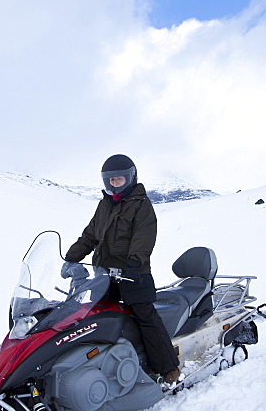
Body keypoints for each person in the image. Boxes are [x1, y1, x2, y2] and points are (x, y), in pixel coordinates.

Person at [61, 154, 181, 385]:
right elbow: (90, 236)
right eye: (111, 180)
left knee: (146, 318)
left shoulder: (140, 205)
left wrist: (135, 265)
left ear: (131, 178)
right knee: (100, 318)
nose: (115, 184)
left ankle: (169, 368)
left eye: (119, 179)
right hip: (105, 276)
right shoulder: (105, 204)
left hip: (133, 275)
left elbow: (143, 239)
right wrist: (71, 258)